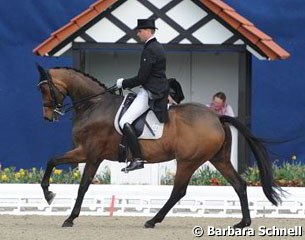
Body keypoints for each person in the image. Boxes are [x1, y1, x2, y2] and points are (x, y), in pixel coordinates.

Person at [115, 19, 169, 172]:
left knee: (124, 121)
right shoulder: (156, 46)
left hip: (150, 92)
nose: (138, 34)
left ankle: (138, 159)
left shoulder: (150, 49)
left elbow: (142, 78)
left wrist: (123, 83)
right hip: (152, 88)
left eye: (139, 31)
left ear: (147, 30)